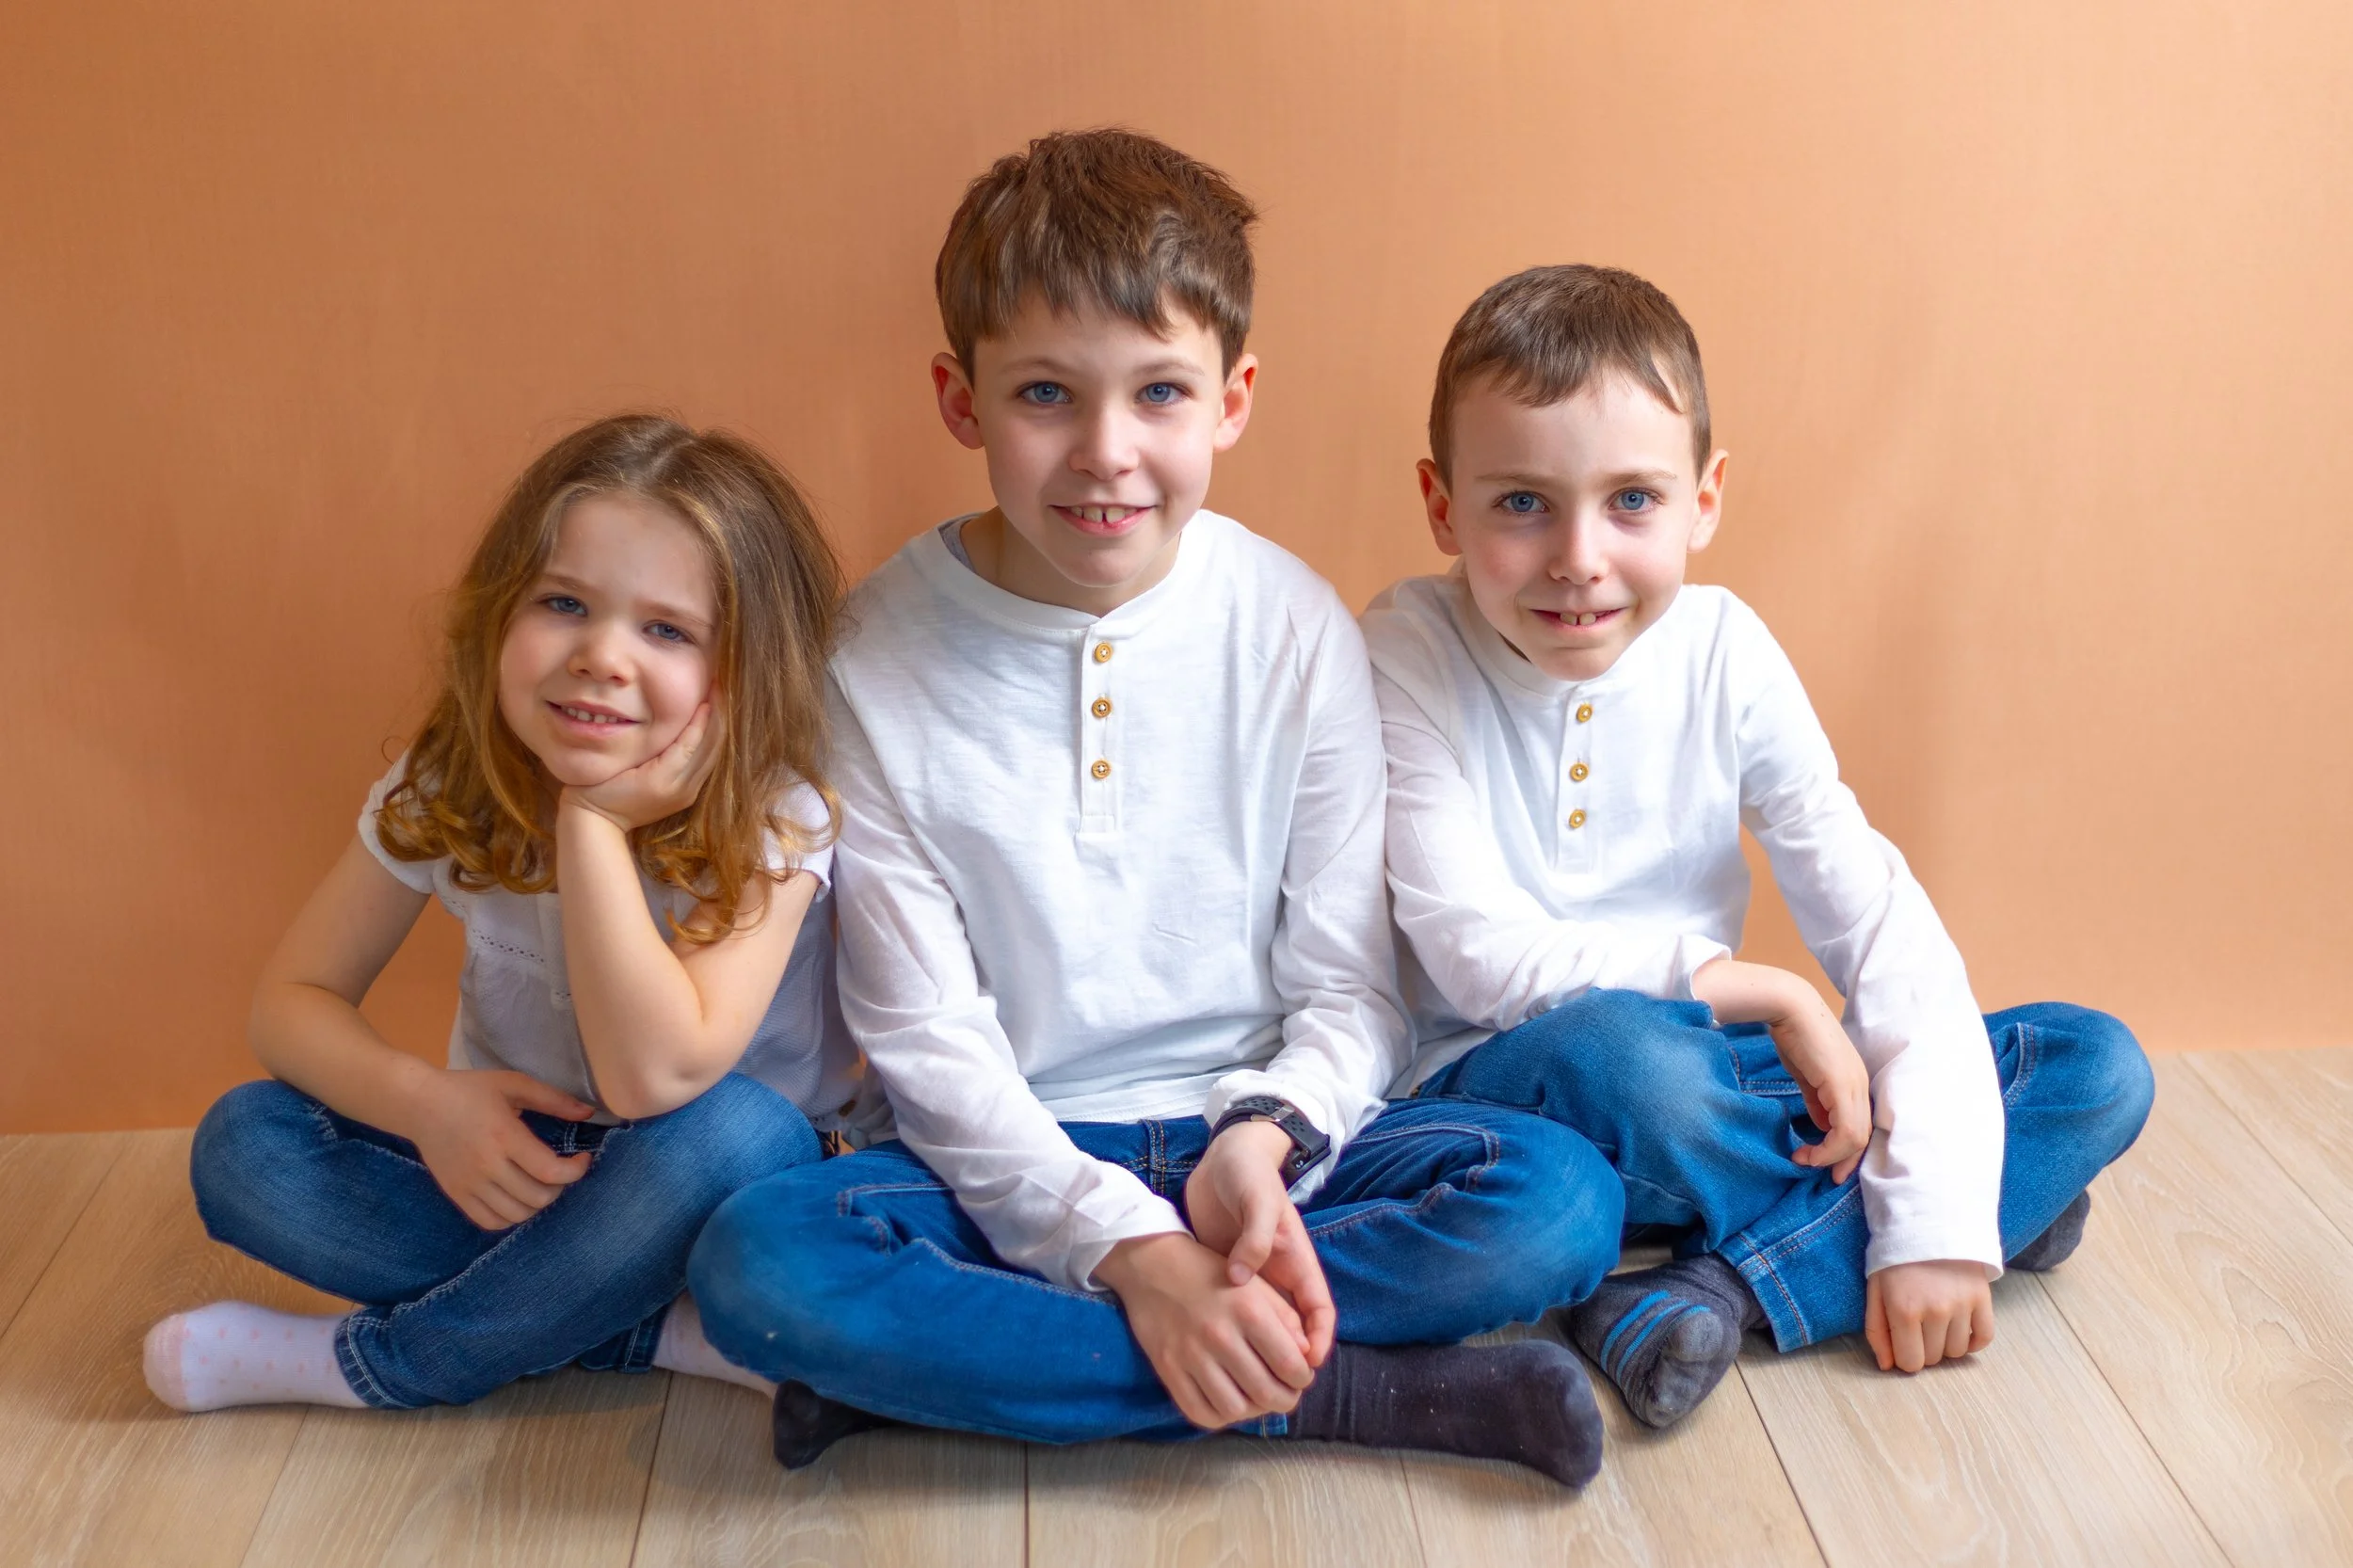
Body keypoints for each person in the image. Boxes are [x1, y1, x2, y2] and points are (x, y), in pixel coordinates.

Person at [687, 130, 1625, 1488]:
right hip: (1003, 1150)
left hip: (1260, 1147)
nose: (1107, 454)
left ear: (1234, 397)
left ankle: (983, 1374)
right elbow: (923, 1038)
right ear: (962, 399)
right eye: (1049, 394)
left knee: (1559, 1201)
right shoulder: (870, 658)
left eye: (1162, 394)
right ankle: (1340, 1387)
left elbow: (1351, 989)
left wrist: (1265, 1137)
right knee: (762, 1259)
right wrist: (1134, 1252)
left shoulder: (1295, 626)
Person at [1364, 264, 2156, 1430]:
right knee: (1627, 1059)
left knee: (2094, 1065)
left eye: (1631, 500)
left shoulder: (1725, 648)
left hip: (1708, 1074)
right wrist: (1767, 994)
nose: (1578, 555)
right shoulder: (1404, 647)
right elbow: (1477, 954)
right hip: (1506, 1092)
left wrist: (1931, 1209)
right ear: (1443, 505)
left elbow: (1872, 909)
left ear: (1704, 498)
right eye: (1520, 503)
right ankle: (1973, 1202)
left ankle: (1710, 1291)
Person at [144, 413, 860, 1413]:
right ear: (500, 615)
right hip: (516, 1172)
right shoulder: (452, 781)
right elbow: (291, 1002)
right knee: (243, 1145)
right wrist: (427, 1107)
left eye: (666, 630)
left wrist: (594, 824)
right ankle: (643, 1326)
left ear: (745, 675)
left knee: (740, 1130)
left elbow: (652, 1078)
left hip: (719, 1191)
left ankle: (383, 1364)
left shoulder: (778, 816)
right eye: (564, 603)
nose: (601, 656)